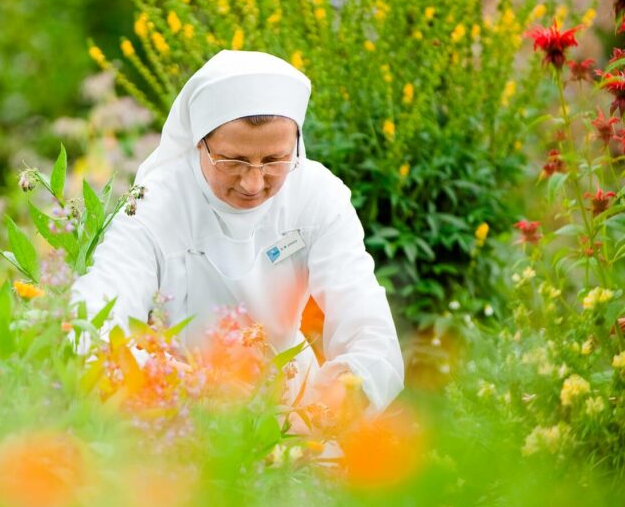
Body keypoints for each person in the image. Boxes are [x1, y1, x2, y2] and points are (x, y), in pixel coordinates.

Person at [70, 50, 404, 418]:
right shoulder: (155, 205)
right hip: (175, 405)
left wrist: (328, 408)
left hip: (293, 404)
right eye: (233, 161)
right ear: (200, 142)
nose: (253, 182)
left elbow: (369, 329)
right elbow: (92, 320)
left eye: (275, 160)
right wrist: (171, 381)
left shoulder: (317, 195)